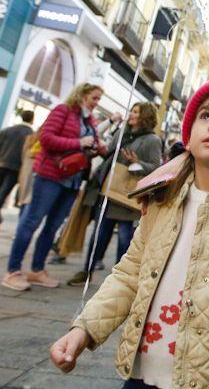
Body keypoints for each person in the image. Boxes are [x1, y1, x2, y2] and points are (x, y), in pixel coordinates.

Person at [50, 78, 209, 389]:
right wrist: (84, 330)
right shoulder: (163, 198)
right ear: (189, 135)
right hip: (141, 377)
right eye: (206, 116)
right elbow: (129, 273)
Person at [3, 83, 106, 291]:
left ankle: (37, 270)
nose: (96, 103)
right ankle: (12, 271)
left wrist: (96, 147)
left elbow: (84, 146)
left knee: (53, 226)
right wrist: (79, 142)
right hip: (50, 175)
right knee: (31, 221)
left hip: (73, 180)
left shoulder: (89, 120)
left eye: (98, 100)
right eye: (94, 98)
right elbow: (46, 139)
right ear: (82, 95)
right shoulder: (63, 111)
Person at [67, 102, 163, 285]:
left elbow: (155, 168)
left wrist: (137, 163)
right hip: (108, 191)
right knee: (99, 234)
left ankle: (120, 279)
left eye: (136, 112)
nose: (132, 115)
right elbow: (109, 154)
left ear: (145, 117)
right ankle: (87, 270)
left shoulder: (152, 140)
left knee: (125, 238)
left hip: (128, 196)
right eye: (132, 111)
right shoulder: (122, 132)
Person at [0, 110, 35, 235]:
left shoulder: (7, 130)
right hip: (15, 169)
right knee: (2, 194)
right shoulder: (31, 135)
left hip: (0, 166)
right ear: (32, 119)